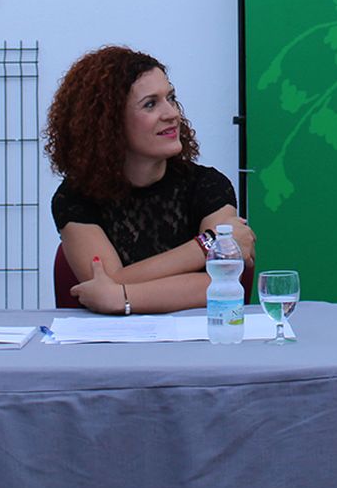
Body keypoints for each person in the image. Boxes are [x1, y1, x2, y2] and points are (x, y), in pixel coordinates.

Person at [46, 45, 254, 314]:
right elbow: (103, 282)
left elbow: (223, 283)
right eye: (150, 104)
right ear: (108, 123)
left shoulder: (209, 185)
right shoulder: (75, 198)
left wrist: (121, 297)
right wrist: (206, 245)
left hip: (200, 339)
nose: (172, 114)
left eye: (171, 98)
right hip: (113, 341)